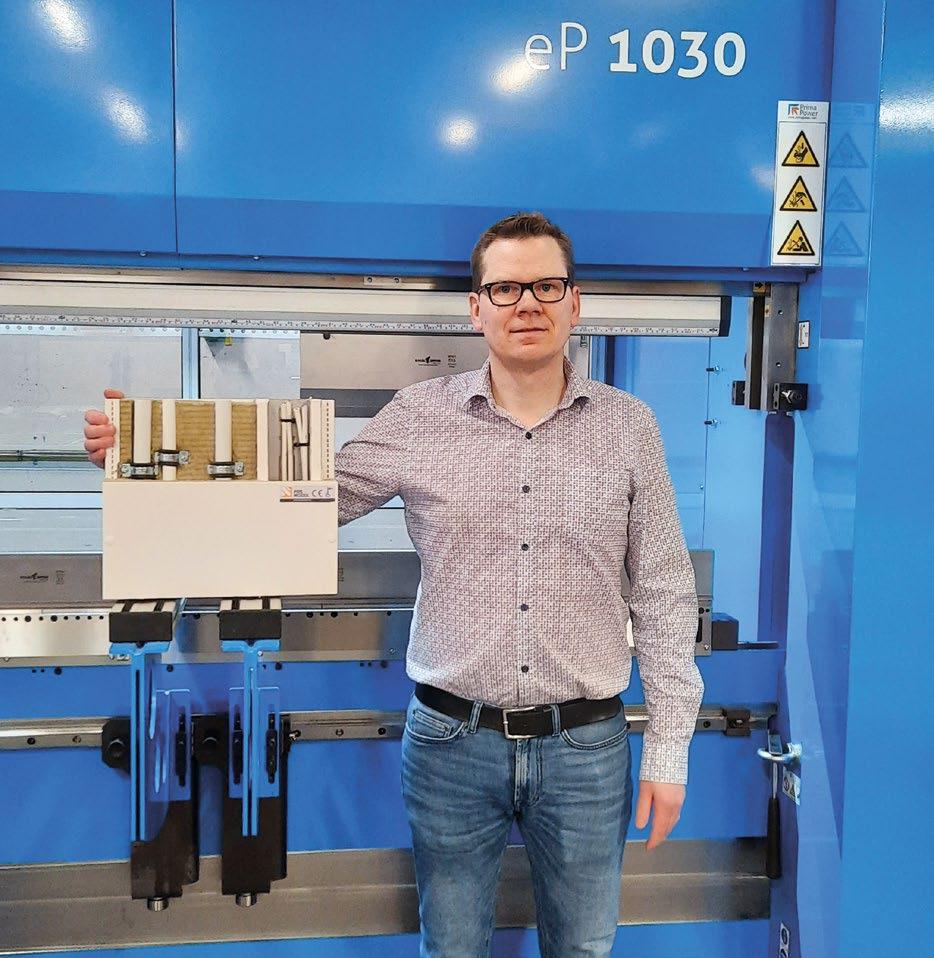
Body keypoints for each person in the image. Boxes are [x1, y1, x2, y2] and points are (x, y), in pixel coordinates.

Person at [84, 212, 703, 958]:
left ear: (575, 302)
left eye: (546, 286)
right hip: (451, 746)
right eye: (505, 288)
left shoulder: (629, 427)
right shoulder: (419, 417)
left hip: (587, 750)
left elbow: (664, 592)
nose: (526, 305)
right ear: (475, 308)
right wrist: (145, 456)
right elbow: (301, 498)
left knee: (583, 949)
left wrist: (669, 751)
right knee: (450, 948)